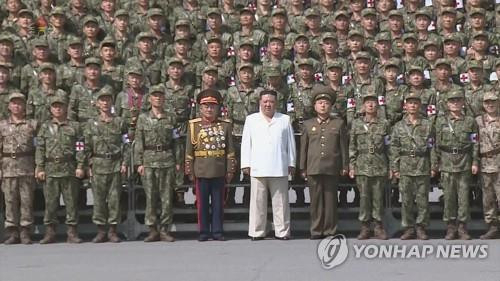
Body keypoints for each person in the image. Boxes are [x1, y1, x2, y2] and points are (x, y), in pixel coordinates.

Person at [241, 89, 296, 240]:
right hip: (258, 167)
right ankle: (257, 232)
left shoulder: (284, 119)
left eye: (271, 101)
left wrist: (291, 162)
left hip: (279, 166)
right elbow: (246, 143)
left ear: (276, 103)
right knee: (257, 203)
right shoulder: (251, 120)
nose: (268, 104)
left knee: (281, 204)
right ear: (260, 102)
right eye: (265, 101)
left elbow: (290, 144)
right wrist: (245, 163)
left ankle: (282, 231)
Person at [185, 89, 236, 241]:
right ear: (200, 108)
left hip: (219, 169)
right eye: (206, 106)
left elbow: (230, 151)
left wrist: (230, 170)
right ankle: (204, 231)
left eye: (212, 106)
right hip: (201, 170)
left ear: (218, 108)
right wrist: (190, 170)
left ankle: (218, 231)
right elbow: (189, 151)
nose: (209, 109)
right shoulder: (194, 126)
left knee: (218, 203)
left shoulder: (225, 125)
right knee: (201, 205)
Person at [300, 85, 348, 239]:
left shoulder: (338, 123)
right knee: (315, 201)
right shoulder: (308, 125)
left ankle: (330, 230)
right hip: (313, 167)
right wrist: (302, 167)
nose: (323, 105)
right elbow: (304, 148)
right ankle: (316, 230)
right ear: (314, 106)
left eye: (326, 103)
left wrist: (345, 165)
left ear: (331, 105)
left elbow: (343, 147)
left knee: (330, 201)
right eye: (320, 103)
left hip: (332, 167)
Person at [35, 95, 85, 244]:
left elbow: (80, 147)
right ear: (50, 109)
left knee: (71, 202)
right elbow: (40, 148)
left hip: (69, 168)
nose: (57, 109)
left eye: (60, 106)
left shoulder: (74, 126)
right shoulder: (45, 127)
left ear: (66, 108)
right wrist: (40, 167)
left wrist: (80, 165)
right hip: (50, 169)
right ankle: (50, 232)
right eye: (55, 106)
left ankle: (72, 232)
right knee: (50, 203)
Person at [432, 89, 479, 240]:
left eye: (458, 100)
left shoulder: (470, 121)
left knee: (464, 197)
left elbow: (475, 143)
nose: (455, 103)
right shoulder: (440, 122)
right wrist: (435, 163)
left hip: (464, 162)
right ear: (447, 104)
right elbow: (434, 144)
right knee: (449, 197)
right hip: (446, 163)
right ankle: (451, 227)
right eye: (452, 101)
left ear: (463, 103)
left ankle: (462, 227)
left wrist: (475, 161)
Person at [83, 87, 129, 243]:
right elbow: (87, 146)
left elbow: (126, 144)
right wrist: (88, 165)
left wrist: (124, 162)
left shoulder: (120, 122)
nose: (105, 103)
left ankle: (113, 230)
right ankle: (101, 230)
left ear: (112, 102)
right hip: (97, 165)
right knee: (99, 199)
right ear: (97, 103)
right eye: (102, 100)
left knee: (115, 199)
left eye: (107, 100)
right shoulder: (91, 124)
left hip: (115, 164)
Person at [134, 85, 177, 242]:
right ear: (150, 98)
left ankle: (165, 229)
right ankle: (152, 229)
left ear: (164, 98)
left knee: (166, 197)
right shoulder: (143, 118)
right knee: (150, 197)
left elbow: (176, 141)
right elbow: (139, 141)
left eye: (160, 95)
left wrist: (177, 161)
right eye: (155, 96)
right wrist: (139, 163)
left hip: (167, 160)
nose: (158, 98)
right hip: (149, 161)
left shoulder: (171, 117)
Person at [390, 92, 434, 240]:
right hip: (405, 167)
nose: (413, 105)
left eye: (415, 103)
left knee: (422, 200)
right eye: (410, 103)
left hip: (422, 165)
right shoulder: (399, 126)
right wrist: (395, 168)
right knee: (406, 200)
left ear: (419, 105)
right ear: (405, 106)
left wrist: (433, 165)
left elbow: (432, 147)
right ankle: (408, 228)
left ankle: (421, 227)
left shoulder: (427, 125)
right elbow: (394, 147)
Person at [349, 92, 391, 240]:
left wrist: (391, 167)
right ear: (363, 106)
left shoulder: (384, 123)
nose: (371, 105)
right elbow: (352, 146)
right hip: (362, 165)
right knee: (364, 198)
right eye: (368, 103)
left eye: (373, 102)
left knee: (378, 198)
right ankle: (365, 227)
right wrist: (352, 165)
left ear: (377, 106)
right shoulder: (356, 124)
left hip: (379, 164)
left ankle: (379, 226)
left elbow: (389, 147)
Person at [0, 92, 38, 245]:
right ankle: (12, 232)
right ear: (9, 106)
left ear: (24, 106)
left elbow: (38, 147)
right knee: (10, 201)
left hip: (26, 166)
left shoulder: (32, 124)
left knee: (26, 201)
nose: (16, 106)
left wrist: (38, 166)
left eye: (19, 103)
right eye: (13, 103)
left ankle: (25, 232)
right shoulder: (2, 125)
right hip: (8, 167)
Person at [476, 92, 500, 239]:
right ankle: (492, 227)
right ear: (483, 105)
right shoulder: (478, 121)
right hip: (485, 164)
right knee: (488, 198)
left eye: (493, 102)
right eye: (487, 102)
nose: (490, 105)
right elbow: (474, 142)